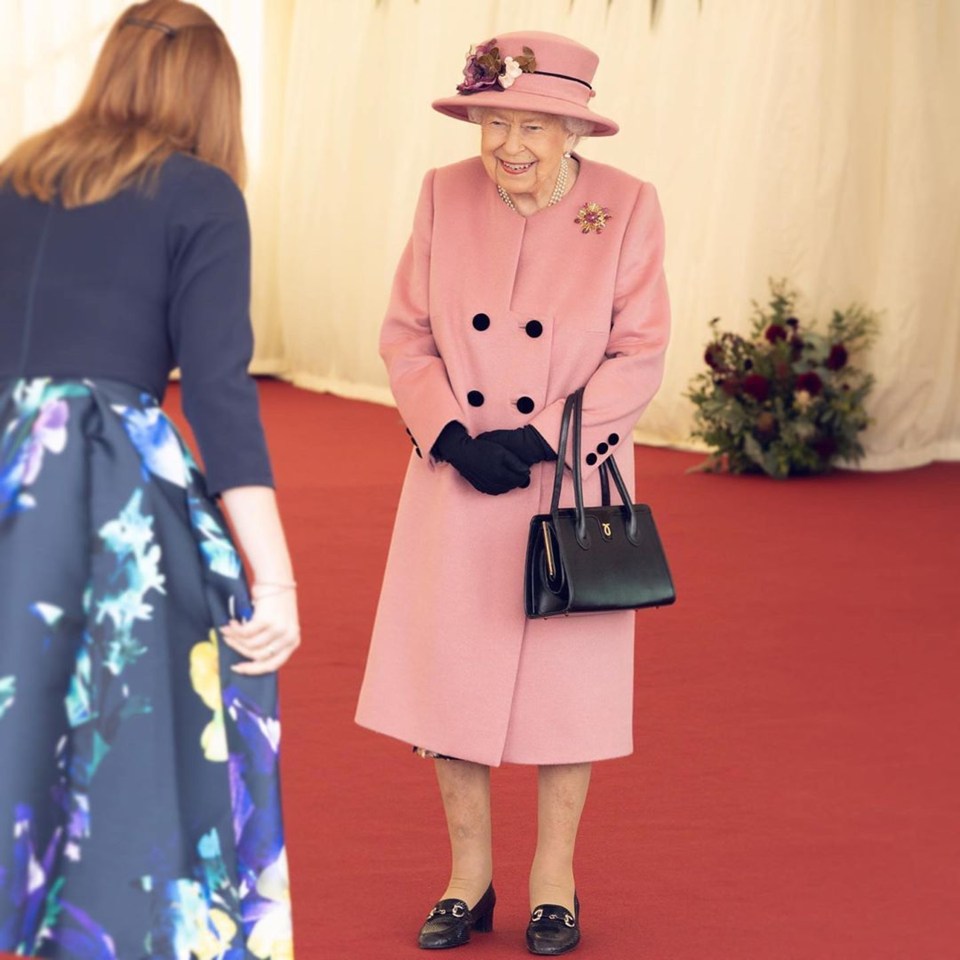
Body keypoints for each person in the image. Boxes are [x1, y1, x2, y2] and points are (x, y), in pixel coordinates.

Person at [355, 30, 670, 956]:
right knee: (452, 676)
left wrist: (543, 438)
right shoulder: (442, 194)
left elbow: (640, 349)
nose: (510, 147)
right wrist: (450, 431)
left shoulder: (627, 207)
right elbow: (406, 333)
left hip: (569, 476)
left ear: (576, 132)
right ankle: (467, 877)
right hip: (458, 478)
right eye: (494, 123)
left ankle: (553, 883)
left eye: (533, 125)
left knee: (566, 686)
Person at [0, 3, 299, 957]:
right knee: (129, 729)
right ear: (215, 92)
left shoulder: (16, 174)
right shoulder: (202, 192)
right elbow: (217, 393)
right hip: (103, 477)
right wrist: (276, 576)